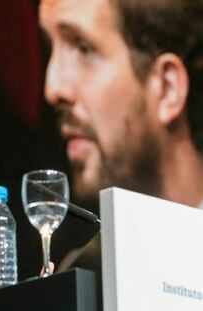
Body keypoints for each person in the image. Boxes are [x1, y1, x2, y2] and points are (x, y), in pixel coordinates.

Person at [39, 0, 203, 307]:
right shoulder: (84, 277)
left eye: (84, 48)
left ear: (167, 88)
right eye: (52, 48)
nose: (53, 87)